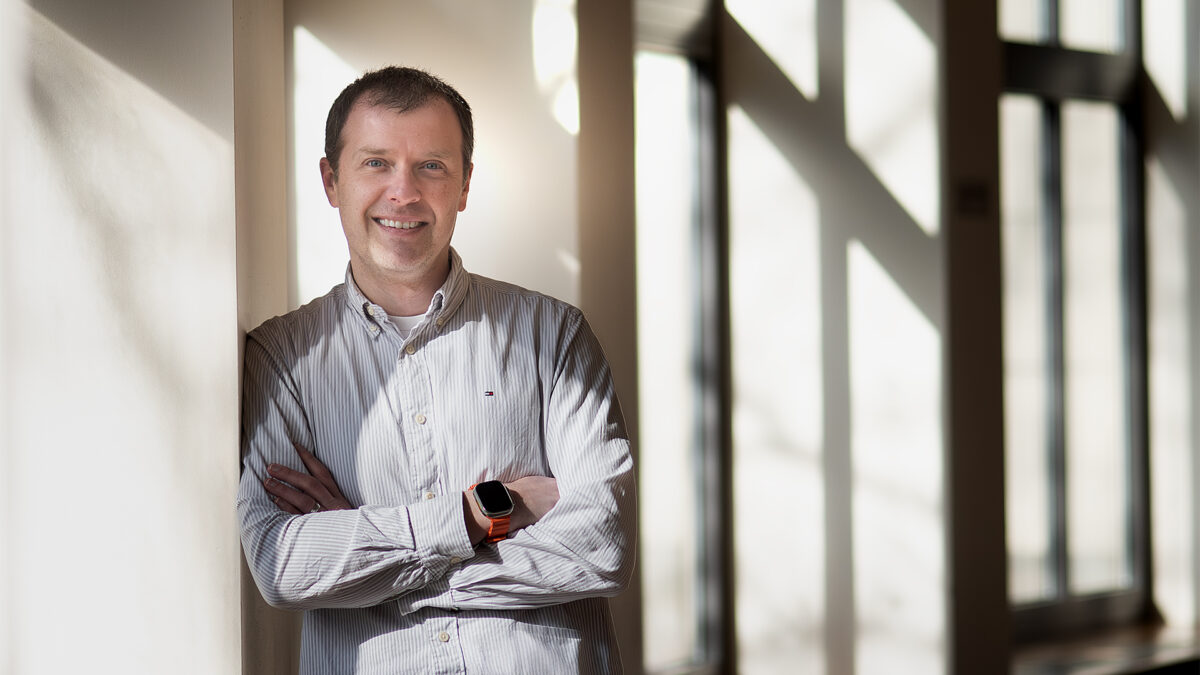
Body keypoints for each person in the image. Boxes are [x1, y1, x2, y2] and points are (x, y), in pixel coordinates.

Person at [236, 66, 636, 674]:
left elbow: (601, 546)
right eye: (376, 163)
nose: (404, 193)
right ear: (330, 180)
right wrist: (480, 514)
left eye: (432, 166)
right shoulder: (281, 358)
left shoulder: (554, 336)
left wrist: (373, 562)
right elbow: (281, 566)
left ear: (465, 184)